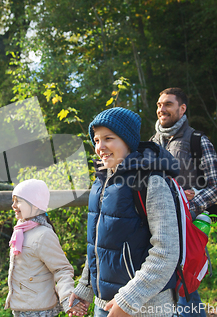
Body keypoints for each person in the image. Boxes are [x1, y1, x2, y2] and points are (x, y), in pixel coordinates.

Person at [68, 107, 181, 317]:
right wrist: (85, 287)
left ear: (127, 141)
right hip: (105, 305)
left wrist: (129, 299)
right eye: (96, 140)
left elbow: (166, 251)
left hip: (147, 307)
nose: (100, 147)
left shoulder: (151, 182)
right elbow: (98, 245)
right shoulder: (101, 182)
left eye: (108, 138)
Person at [151, 87, 217, 316]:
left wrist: (188, 205)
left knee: (185, 291)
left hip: (186, 231)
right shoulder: (151, 144)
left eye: (168, 104)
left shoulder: (197, 140)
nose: (161, 109)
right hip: (155, 231)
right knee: (165, 293)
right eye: (159, 105)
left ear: (182, 109)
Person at [4, 179, 85, 317]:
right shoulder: (20, 231)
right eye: (13, 201)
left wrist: (67, 299)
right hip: (21, 308)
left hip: (40, 311)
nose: (13, 205)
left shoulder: (44, 235)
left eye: (18, 201)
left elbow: (62, 269)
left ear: (35, 206)